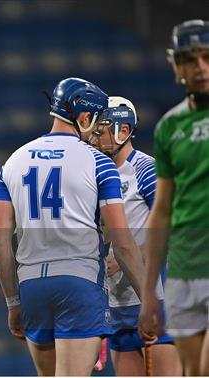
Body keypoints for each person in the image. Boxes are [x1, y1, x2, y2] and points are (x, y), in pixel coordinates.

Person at [0, 77, 146, 376]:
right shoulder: (99, 162)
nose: (99, 131)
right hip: (79, 284)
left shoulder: (11, 162)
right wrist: (149, 301)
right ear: (84, 117)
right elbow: (123, 244)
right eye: (97, 122)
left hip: (31, 286)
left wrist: (13, 303)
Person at [88, 96, 181, 375]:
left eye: (100, 130)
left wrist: (129, 254)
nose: (94, 138)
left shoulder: (146, 169)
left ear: (123, 131)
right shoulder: (95, 177)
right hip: (117, 305)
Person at [139, 19, 209, 376]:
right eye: (189, 59)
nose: (200, 68)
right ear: (175, 65)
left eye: (206, 57)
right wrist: (150, 290)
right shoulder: (169, 127)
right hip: (184, 270)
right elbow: (161, 212)